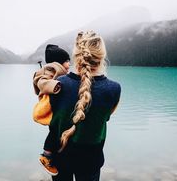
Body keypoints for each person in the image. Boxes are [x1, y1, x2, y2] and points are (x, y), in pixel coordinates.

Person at [39, 31, 121, 181]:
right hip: (91, 160)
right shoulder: (114, 89)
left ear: (77, 55)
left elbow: (46, 115)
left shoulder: (57, 85)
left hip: (60, 158)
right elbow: (106, 117)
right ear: (102, 56)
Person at [32, 44, 70, 176]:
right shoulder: (50, 70)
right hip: (52, 107)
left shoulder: (56, 71)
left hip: (54, 107)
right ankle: (46, 156)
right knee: (54, 132)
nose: (69, 63)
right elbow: (41, 82)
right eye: (66, 61)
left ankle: (49, 155)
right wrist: (56, 85)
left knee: (54, 131)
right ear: (58, 62)